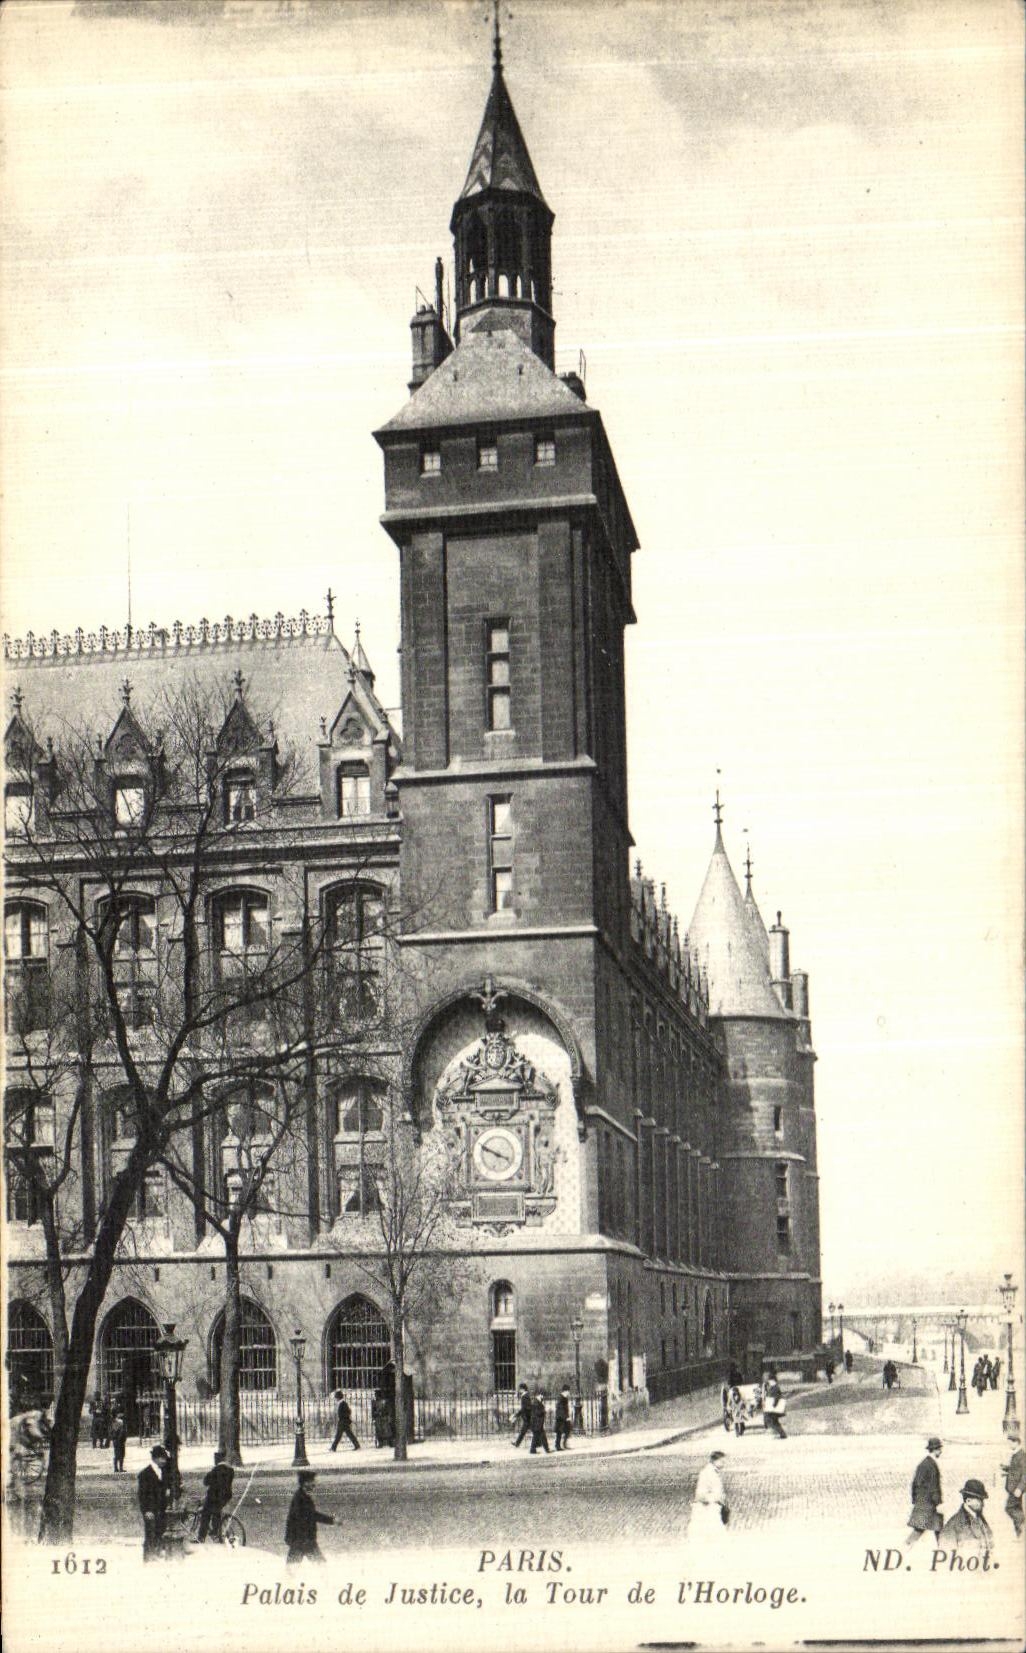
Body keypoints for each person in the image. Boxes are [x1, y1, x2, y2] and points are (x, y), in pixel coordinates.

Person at [284, 1470, 335, 1563]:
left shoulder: (301, 1496)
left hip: (300, 1540)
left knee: (292, 1569)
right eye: (312, 1482)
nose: (314, 1485)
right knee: (321, 1565)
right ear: (305, 1483)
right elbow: (311, 1515)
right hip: (303, 1540)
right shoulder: (301, 1498)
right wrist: (332, 1521)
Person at [939, 1479, 994, 1561]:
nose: (983, 1504)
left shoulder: (982, 1521)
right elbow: (946, 1556)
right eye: (979, 1500)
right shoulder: (953, 1525)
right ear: (968, 1501)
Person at [906, 1437, 943, 1546]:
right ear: (935, 1449)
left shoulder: (924, 1463)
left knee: (939, 1529)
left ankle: (945, 1552)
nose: (940, 1452)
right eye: (939, 1449)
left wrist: (915, 1500)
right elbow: (933, 1486)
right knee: (919, 1530)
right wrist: (937, 1502)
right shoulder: (930, 1465)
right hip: (928, 1505)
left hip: (924, 1503)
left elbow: (915, 1484)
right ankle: (903, 1550)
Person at [137, 1445, 170, 1562]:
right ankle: (148, 1559)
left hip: (161, 1509)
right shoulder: (145, 1474)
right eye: (163, 1458)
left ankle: (155, 1556)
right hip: (151, 1510)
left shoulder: (163, 1472)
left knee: (159, 1532)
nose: (164, 1461)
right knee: (150, 1535)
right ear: (156, 1459)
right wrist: (146, 1510)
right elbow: (142, 1495)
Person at [688, 1449, 729, 1538]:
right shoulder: (707, 1473)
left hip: (713, 1508)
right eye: (722, 1461)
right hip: (708, 1509)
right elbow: (700, 1495)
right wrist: (715, 1499)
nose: (724, 1464)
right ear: (715, 1461)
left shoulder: (713, 1472)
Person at [197, 1449, 234, 1542]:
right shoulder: (230, 1469)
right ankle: (217, 1533)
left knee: (205, 1514)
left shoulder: (215, 1470)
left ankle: (201, 1537)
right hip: (225, 1496)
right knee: (216, 1512)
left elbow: (206, 1482)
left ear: (216, 1460)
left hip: (214, 1497)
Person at [1002, 1429, 1024, 1539]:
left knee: (1009, 1508)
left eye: (1010, 1442)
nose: (1009, 1444)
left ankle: (1022, 1527)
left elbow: (1025, 1474)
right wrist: (1007, 1469)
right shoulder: (1016, 1454)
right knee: (1017, 1509)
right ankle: (1019, 1535)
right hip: (1013, 1489)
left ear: (1016, 1442)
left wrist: (1020, 1488)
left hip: (1015, 1490)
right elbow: (1016, 1470)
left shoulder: (1021, 1455)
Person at [763, 1369, 787, 1439]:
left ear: (772, 1380)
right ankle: (782, 1434)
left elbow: (777, 1397)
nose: (769, 1382)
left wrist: (773, 1405)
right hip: (771, 1407)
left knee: (772, 1421)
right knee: (774, 1421)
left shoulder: (775, 1387)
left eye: (770, 1380)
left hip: (773, 1407)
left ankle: (781, 1434)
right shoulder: (772, 1387)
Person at [529, 1390, 550, 1455]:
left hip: (538, 1423)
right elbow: (537, 1413)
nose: (543, 1396)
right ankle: (546, 1449)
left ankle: (533, 1449)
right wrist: (544, 1411)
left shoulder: (538, 1402)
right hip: (536, 1423)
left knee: (537, 1436)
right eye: (542, 1395)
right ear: (539, 1395)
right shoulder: (536, 1402)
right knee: (542, 1436)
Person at [512, 1383, 532, 1448]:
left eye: (520, 1389)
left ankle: (517, 1443)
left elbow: (525, 1408)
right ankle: (517, 1443)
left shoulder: (525, 1396)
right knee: (525, 1431)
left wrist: (517, 1415)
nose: (519, 1390)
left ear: (522, 1389)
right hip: (527, 1417)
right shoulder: (525, 1395)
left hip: (527, 1417)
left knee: (536, 1431)